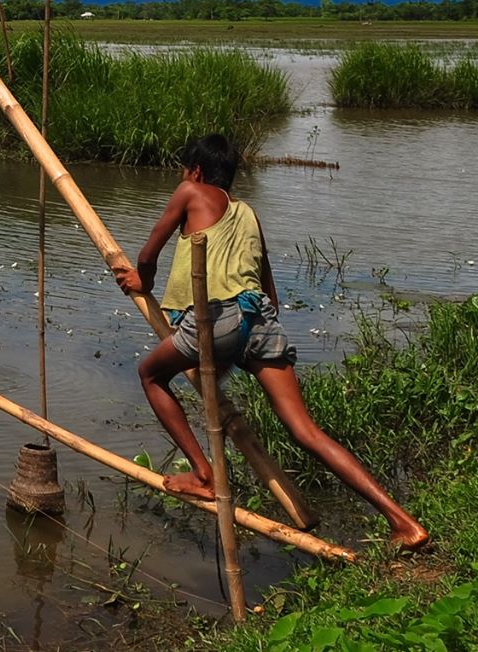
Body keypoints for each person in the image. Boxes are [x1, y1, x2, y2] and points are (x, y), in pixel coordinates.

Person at [114, 134, 429, 550]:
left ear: (195, 171)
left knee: (150, 376)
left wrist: (143, 282)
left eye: (183, 170)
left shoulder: (188, 190)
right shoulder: (249, 214)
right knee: (306, 432)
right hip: (260, 319)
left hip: (219, 317)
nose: (182, 176)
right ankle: (404, 523)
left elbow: (149, 253)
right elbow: (270, 291)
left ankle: (203, 474)